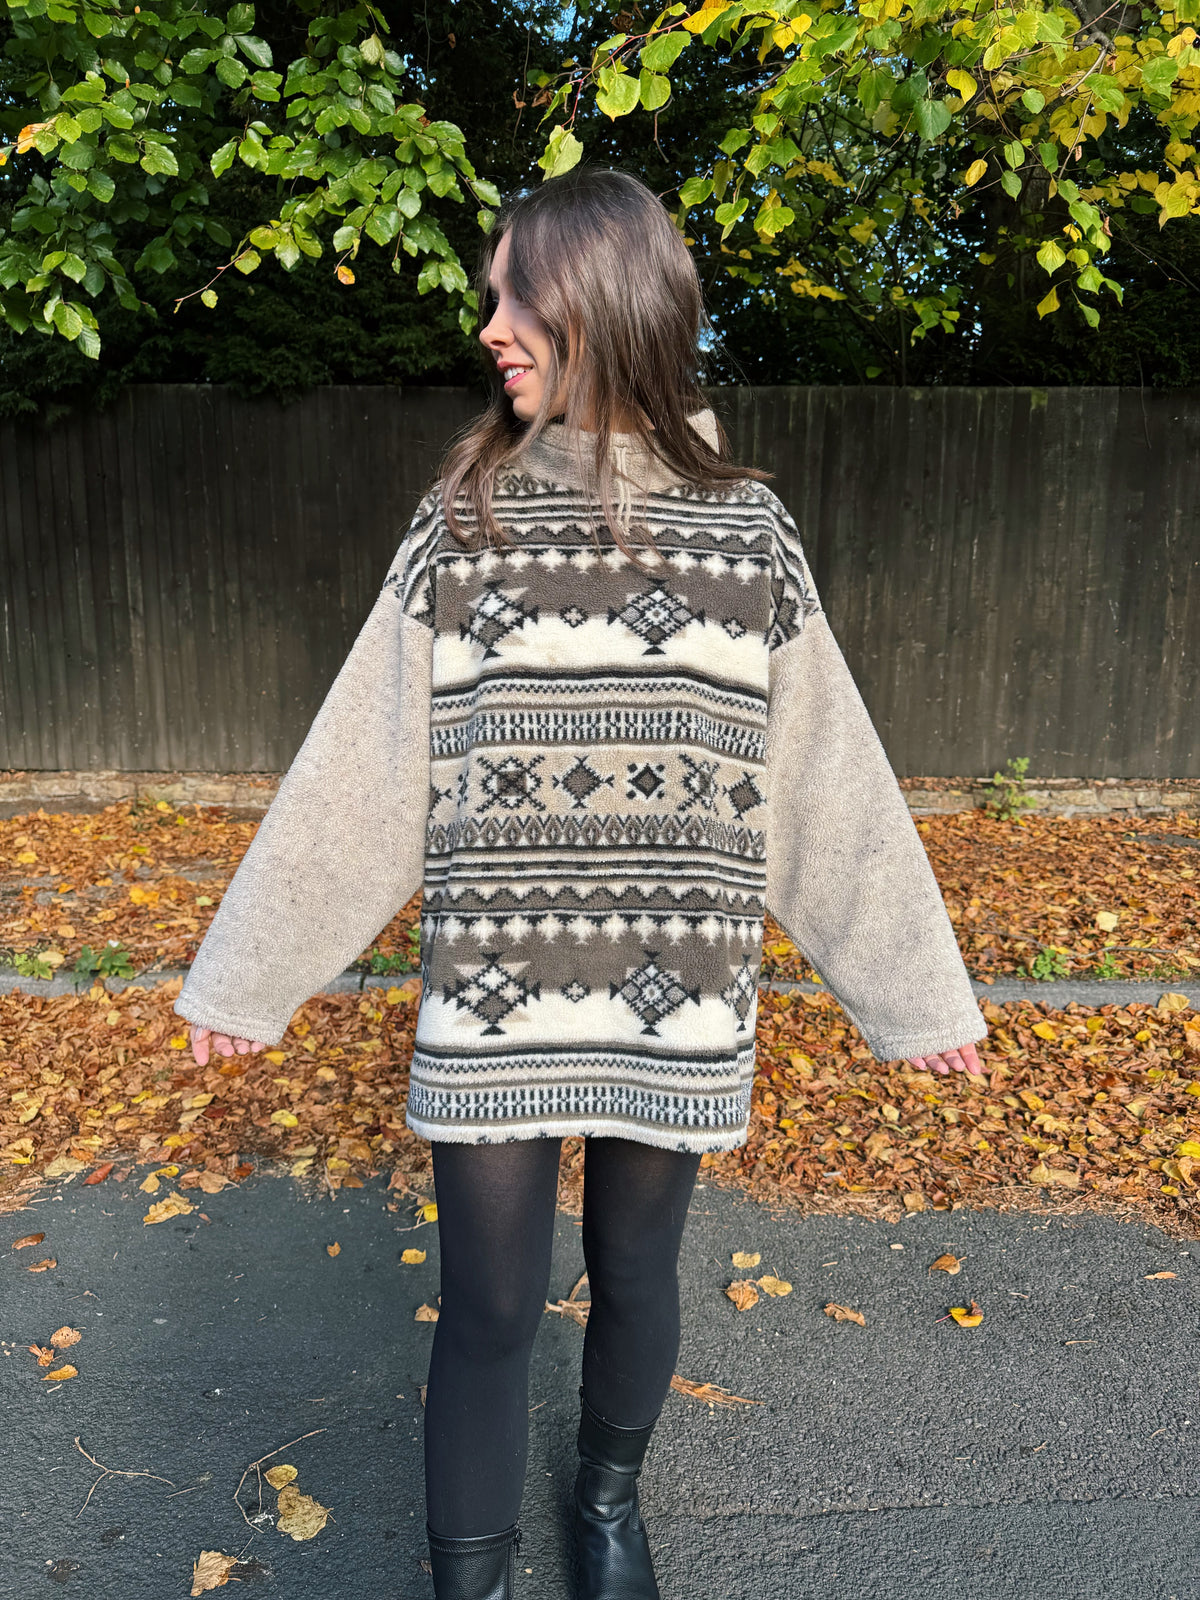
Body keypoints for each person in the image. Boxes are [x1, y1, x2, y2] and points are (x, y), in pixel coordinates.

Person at [177, 166, 987, 1600]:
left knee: (635, 1278)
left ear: (609, 302)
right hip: (496, 1004)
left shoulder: (749, 537)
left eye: (517, 293)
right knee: (488, 1304)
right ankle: (472, 1579)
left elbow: (827, 781)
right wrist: (255, 968)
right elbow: (365, 767)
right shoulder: (464, 530)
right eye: (489, 296)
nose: (491, 324)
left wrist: (919, 997)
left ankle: (606, 1503)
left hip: (675, 996)